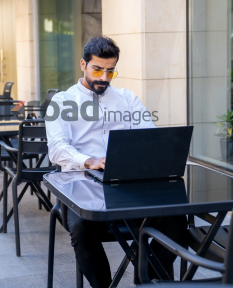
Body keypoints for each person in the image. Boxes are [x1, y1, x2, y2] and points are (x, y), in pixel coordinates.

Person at [45, 35, 187, 287]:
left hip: (128, 190)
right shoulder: (62, 102)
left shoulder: (127, 99)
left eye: (110, 72)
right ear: (83, 64)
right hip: (80, 189)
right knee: (82, 229)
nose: (103, 78)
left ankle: (146, 278)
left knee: (175, 221)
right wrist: (89, 161)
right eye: (97, 69)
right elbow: (57, 149)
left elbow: (149, 139)